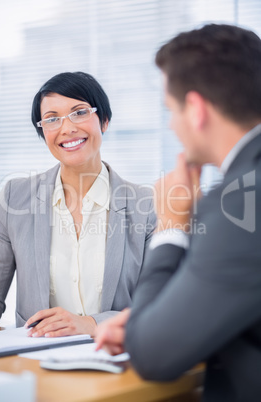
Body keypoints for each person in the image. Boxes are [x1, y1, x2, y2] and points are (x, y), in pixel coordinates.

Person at [95, 24, 261, 401]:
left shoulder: (240, 202)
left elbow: (154, 354)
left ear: (197, 109)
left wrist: (171, 223)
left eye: (171, 110)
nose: (171, 124)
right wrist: (159, 318)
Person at [0, 71, 156, 337]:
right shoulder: (14, 199)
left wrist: (91, 324)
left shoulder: (147, 207)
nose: (67, 128)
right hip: (36, 364)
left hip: (119, 361)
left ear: (103, 120)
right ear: (43, 131)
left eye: (79, 112)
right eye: (52, 119)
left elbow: (160, 307)